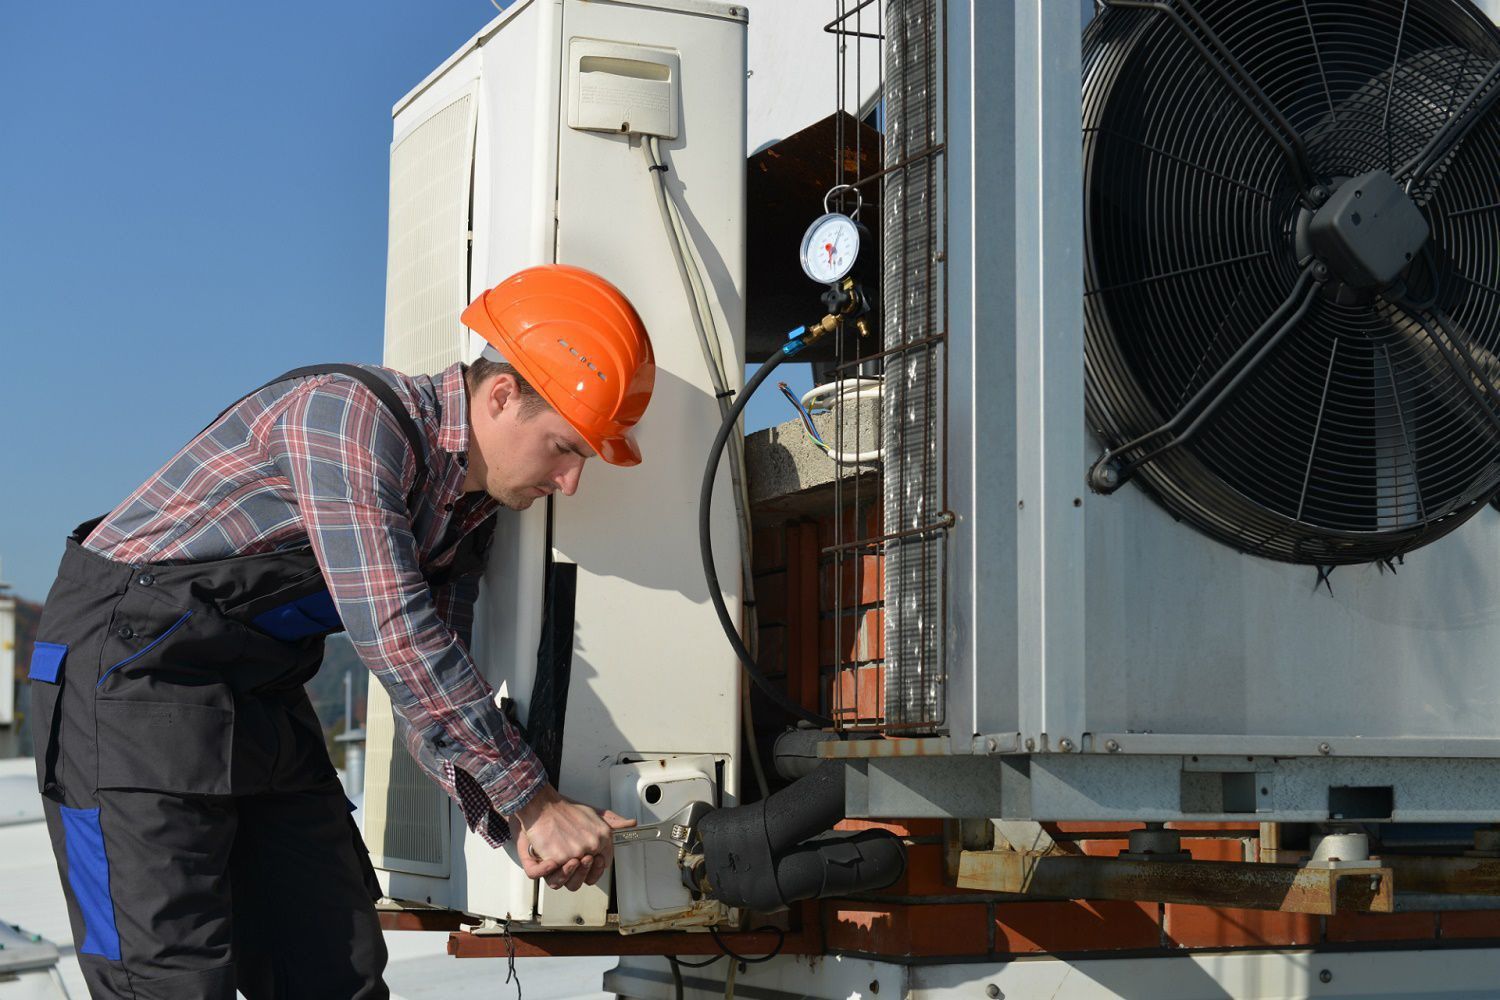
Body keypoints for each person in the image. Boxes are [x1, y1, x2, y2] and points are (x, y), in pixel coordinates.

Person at [26, 264, 655, 998]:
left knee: (333, 964)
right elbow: (396, 635)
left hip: (255, 690)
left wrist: (518, 826)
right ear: (502, 394)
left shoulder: (466, 517)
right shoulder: (348, 421)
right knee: (165, 980)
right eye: (567, 448)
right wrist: (536, 802)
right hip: (123, 674)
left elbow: (432, 703)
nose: (571, 482)